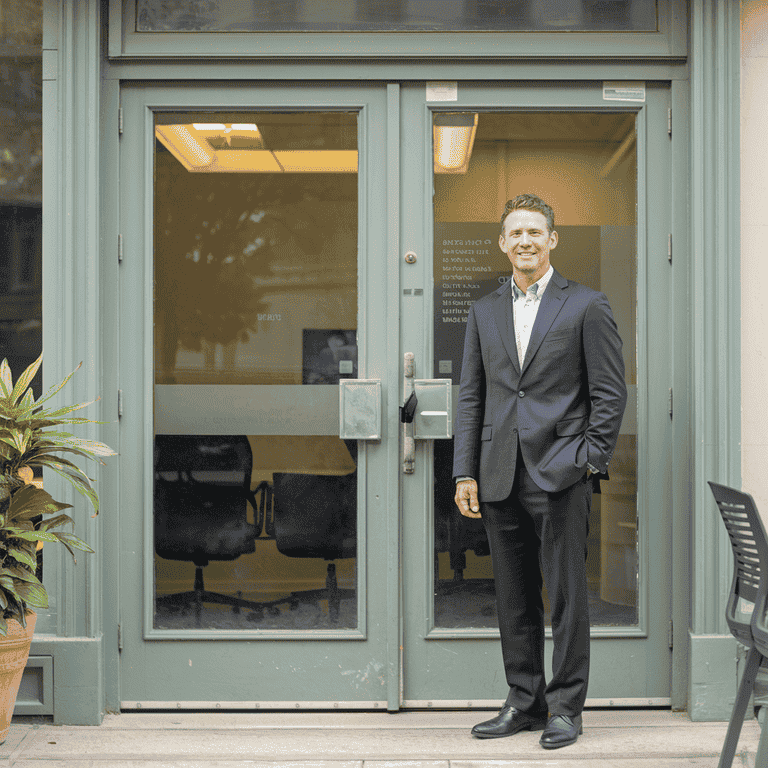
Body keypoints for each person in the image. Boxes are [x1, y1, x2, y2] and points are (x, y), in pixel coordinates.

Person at [452, 194, 627, 750]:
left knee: (568, 594)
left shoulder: (586, 305)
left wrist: (587, 460)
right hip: (499, 472)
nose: (525, 241)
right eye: (515, 233)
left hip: (560, 473)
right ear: (503, 243)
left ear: (552, 239)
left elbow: (609, 393)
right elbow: (471, 397)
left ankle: (566, 708)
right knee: (513, 594)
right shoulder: (483, 312)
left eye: (536, 231)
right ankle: (523, 701)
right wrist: (464, 473)